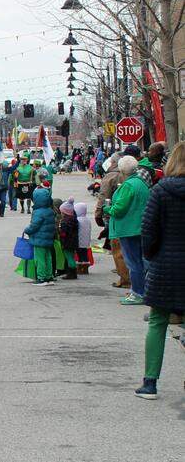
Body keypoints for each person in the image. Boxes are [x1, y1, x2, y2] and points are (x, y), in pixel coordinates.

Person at [134, 142, 185, 400]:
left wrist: (152, 256)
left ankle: (150, 382)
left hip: (165, 263)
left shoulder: (160, 191)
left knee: (157, 322)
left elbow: (148, 229)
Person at [106, 156, 150, 306]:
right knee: (141, 261)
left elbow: (119, 209)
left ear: (122, 170)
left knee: (133, 262)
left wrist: (108, 209)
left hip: (128, 228)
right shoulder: (141, 183)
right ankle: (142, 290)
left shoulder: (128, 185)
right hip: (140, 226)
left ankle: (137, 292)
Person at [95, 152, 128, 289]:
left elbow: (103, 195)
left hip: (113, 214)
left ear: (114, 162)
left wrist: (98, 213)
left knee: (117, 247)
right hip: (129, 216)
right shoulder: (131, 176)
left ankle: (124, 278)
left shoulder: (110, 176)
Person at [21, 185, 56, 286]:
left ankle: (41, 278)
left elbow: (34, 226)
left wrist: (26, 230)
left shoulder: (38, 212)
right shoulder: (50, 211)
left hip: (39, 240)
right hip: (48, 239)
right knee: (48, 258)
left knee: (40, 259)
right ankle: (49, 276)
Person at [57, 199, 79, 280]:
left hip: (67, 242)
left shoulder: (65, 221)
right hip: (73, 242)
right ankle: (73, 272)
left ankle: (71, 273)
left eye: (62, 212)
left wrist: (59, 231)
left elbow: (63, 233)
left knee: (69, 257)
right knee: (71, 256)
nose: (61, 213)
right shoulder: (74, 219)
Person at [74, 202, 92, 275]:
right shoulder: (88, 220)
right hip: (86, 241)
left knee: (79, 255)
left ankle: (80, 268)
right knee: (85, 254)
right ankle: (85, 269)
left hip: (79, 240)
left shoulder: (77, 220)